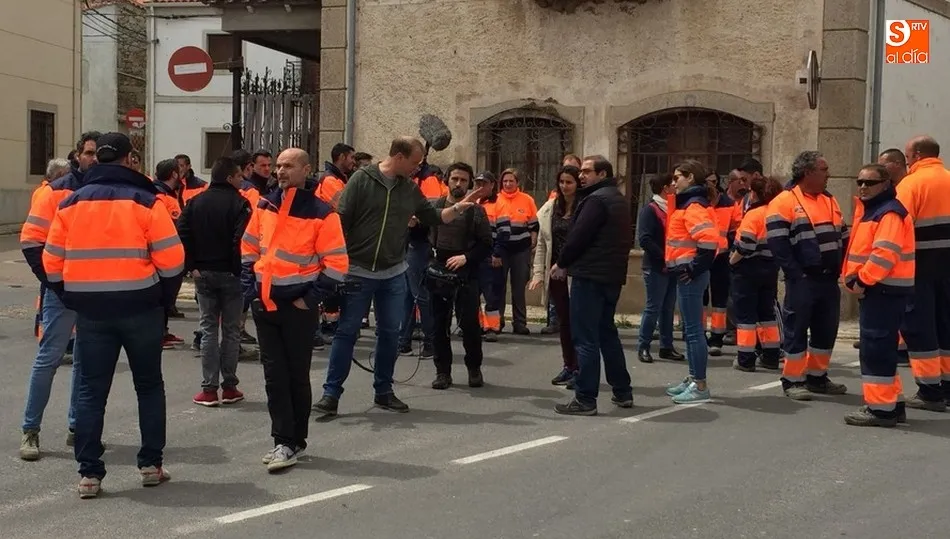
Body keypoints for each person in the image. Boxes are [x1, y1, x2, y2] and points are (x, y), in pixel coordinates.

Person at [43, 132, 183, 498]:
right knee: (149, 386)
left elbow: (51, 263)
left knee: (91, 392)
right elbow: (172, 260)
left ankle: (90, 474)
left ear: (97, 160)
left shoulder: (70, 204)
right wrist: (162, 298)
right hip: (140, 307)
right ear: (129, 159)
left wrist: (70, 294)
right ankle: (151, 465)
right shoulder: (147, 201)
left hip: (92, 311)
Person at [313, 136, 488, 416]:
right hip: (358, 271)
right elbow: (340, 221)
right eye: (415, 163)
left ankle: (383, 391)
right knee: (346, 333)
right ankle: (331, 394)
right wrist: (334, 265)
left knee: (390, 335)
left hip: (394, 272)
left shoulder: (409, 189)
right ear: (399, 157)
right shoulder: (361, 180)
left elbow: (432, 215)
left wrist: (460, 206)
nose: (417, 169)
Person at [241, 148, 348, 472]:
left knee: (296, 376)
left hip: (298, 308)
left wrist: (309, 300)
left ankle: (293, 441)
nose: (281, 171)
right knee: (275, 376)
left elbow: (337, 265)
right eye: (278, 166)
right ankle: (284, 440)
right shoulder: (265, 203)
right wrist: (252, 289)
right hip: (266, 304)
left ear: (306, 169)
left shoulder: (322, 213)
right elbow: (248, 248)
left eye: (288, 166)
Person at [19, 131, 100, 461]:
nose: (94, 159)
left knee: (84, 362)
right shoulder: (55, 192)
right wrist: (54, 282)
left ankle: (75, 426)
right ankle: (30, 430)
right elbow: (31, 241)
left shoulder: (105, 194)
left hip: (94, 292)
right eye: (90, 153)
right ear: (78, 155)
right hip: (61, 291)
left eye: (99, 154)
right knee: (49, 359)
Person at [551, 155, 634, 416]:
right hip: (610, 276)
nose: (581, 176)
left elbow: (578, 237)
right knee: (607, 333)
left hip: (590, 277)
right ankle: (622, 391)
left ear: (602, 173)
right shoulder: (616, 198)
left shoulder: (596, 200)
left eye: (586, 171)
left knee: (585, 337)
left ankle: (586, 398)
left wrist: (562, 262)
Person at [766, 150, 849, 400]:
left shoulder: (829, 199)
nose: (828, 175)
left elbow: (842, 235)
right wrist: (796, 274)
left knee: (826, 329)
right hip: (804, 279)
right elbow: (778, 244)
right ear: (807, 173)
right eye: (824, 170)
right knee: (796, 329)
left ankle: (817, 377)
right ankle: (792, 380)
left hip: (827, 279)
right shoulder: (784, 201)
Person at [841, 163, 915, 427]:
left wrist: (862, 279)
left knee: (875, 350)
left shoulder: (889, 213)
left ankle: (880, 410)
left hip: (882, 290)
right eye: (859, 182)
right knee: (881, 349)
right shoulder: (875, 211)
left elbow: (885, 253)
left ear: (885, 184)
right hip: (882, 290)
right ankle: (892, 404)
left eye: (869, 183)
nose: (862, 187)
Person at [178, 156, 253, 407]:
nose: (243, 180)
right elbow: (238, 240)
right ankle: (230, 387)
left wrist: (192, 266)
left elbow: (183, 234)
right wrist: (235, 268)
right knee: (231, 331)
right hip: (230, 274)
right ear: (230, 177)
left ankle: (209, 389)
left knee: (209, 328)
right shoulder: (240, 205)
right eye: (240, 176)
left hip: (204, 273)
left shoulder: (194, 202)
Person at [896, 135, 950, 411]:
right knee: (946, 324)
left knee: (920, 326)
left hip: (920, 264)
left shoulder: (911, 184)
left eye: (907, 156)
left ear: (916, 154)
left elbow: (898, 225)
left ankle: (930, 390)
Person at [428, 162, 492, 389]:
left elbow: (487, 244)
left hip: (467, 273)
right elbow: (419, 236)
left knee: (469, 325)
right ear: (446, 180)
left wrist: (466, 257)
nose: (458, 183)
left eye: (464, 180)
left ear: (469, 184)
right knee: (439, 325)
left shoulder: (476, 211)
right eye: (455, 178)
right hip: (438, 271)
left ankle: (474, 368)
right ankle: (442, 372)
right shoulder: (434, 206)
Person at [663, 160, 720, 404]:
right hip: (688, 274)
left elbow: (709, 241)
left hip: (690, 276)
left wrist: (694, 268)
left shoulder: (693, 206)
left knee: (694, 331)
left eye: (678, 178)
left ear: (691, 179)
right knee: (691, 329)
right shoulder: (689, 204)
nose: (673, 182)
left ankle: (700, 384)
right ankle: (694, 378)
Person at [531, 165, 583, 385]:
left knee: (580, 322)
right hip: (556, 273)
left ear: (577, 184)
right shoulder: (551, 208)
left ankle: (582, 369)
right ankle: (568, 366)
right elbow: (542, 243)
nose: (564, 186)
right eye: (561, 182)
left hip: (579, 272)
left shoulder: (585, 207)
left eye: (569, 182)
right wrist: (538, 274)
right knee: (564, 323)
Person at [729, 175, 784, 372]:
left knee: (745, 316)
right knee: (767, 313)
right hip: (770, 267)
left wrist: (732, 260)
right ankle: (770, 356)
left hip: (748, 269)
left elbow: (746, 245)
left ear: (756, 193)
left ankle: (745, 359)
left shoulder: (754, 214)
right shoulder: (778, 212)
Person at [399, 158, 448, 358]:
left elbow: (431, 215)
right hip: (405, 243)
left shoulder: (428, 181)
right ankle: (404, 342)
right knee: (408, 296)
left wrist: (415, 221)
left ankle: (430, 342)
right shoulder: (406, 181)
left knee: (420, 295)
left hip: (418, 243)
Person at [636, 173, 685, 364]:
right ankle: (644, 346)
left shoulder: (672, 208)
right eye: (672, 184)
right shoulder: (651, 210)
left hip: (672, 266)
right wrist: (664, 257)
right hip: (656, 266)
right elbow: (645, 239)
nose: (675, 186)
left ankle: (666, 346)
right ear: (665, 188)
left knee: (668, 308)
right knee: (653, 307)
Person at [488, 169, 539, 336]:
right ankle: (498, 322)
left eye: (511, 181)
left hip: (521, 250)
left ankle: (520, 323)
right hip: (501, 250)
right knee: (498, 286)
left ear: (518, 183)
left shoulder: (527, 200)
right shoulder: (495, 200)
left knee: (518, 287)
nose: (508, 184)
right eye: (505, 181)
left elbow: (534, 225)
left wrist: (533, 241)